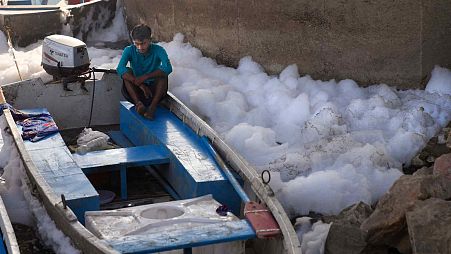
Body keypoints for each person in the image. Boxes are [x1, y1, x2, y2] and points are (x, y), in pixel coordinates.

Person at [117, 24, 172, 120]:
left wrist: (146, 77)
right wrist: (140, 84)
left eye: (143, 43)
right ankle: (138, 104)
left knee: (163, 75)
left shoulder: (159, 50)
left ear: (150, 40)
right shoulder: (129, 50)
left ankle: (152, 107)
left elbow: (168, 68)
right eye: (136, 44)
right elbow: (120, 69)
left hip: (154, 92)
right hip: (136, 91)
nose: (140, 47)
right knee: (127, 72)